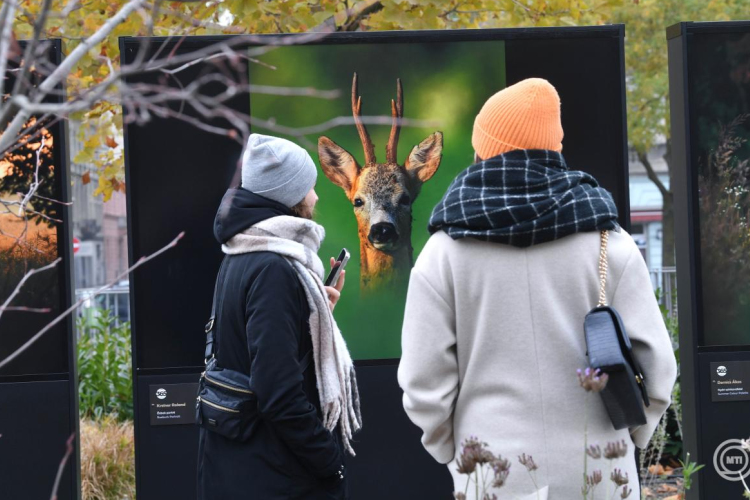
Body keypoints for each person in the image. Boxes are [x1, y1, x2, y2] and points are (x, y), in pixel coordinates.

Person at [398, 78, 677, 499]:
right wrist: (631, 438)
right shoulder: (609, 240)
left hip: (493, 471)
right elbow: (658, 369)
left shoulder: (443, 254)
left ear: (482, 151)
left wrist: (452, 453)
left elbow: (423, 383)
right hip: (600, 468)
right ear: (555, 151)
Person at [197, 133, 362, 499]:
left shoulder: (241, 252)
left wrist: (317, 312)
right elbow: (278, 394)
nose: (316, 197)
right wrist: (328, 460)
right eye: (309, 188)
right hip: (275, 475)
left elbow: (252, 348)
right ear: (287, 196)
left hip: (241, 465)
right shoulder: (273, 268)